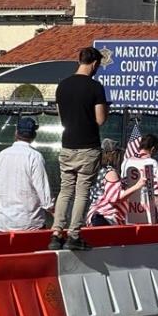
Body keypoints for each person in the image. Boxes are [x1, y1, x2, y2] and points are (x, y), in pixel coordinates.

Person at [49, 47, 109, 251]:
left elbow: (61, 115)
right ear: (94, 64)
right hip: (88, 146)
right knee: (82, 192)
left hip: (67, 145)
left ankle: (56, 232)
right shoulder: (95, 87)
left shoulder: (62, 86)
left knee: (65, 190)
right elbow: (100, 119)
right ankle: (74, 235)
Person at [0, 116, 53, 232]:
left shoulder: (1, 155)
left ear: (16, 133)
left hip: (2, 223)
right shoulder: (35, 157)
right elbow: (43, 192)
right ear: (34, 135)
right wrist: (55, 212)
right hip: (30, 224)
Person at [86, 142, 146, 226]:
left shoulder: (97, 171)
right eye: (119, 154)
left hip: (95, 216)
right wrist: (137, 185)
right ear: (113, 154)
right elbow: (115, 198)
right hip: (105, 217)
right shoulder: (110, 173)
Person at [121, 133, 158, 225]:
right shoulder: (151, 162)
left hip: (128, 206)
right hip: (145, 207)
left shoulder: (126, 162)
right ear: (153, 149)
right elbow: (154, 189)